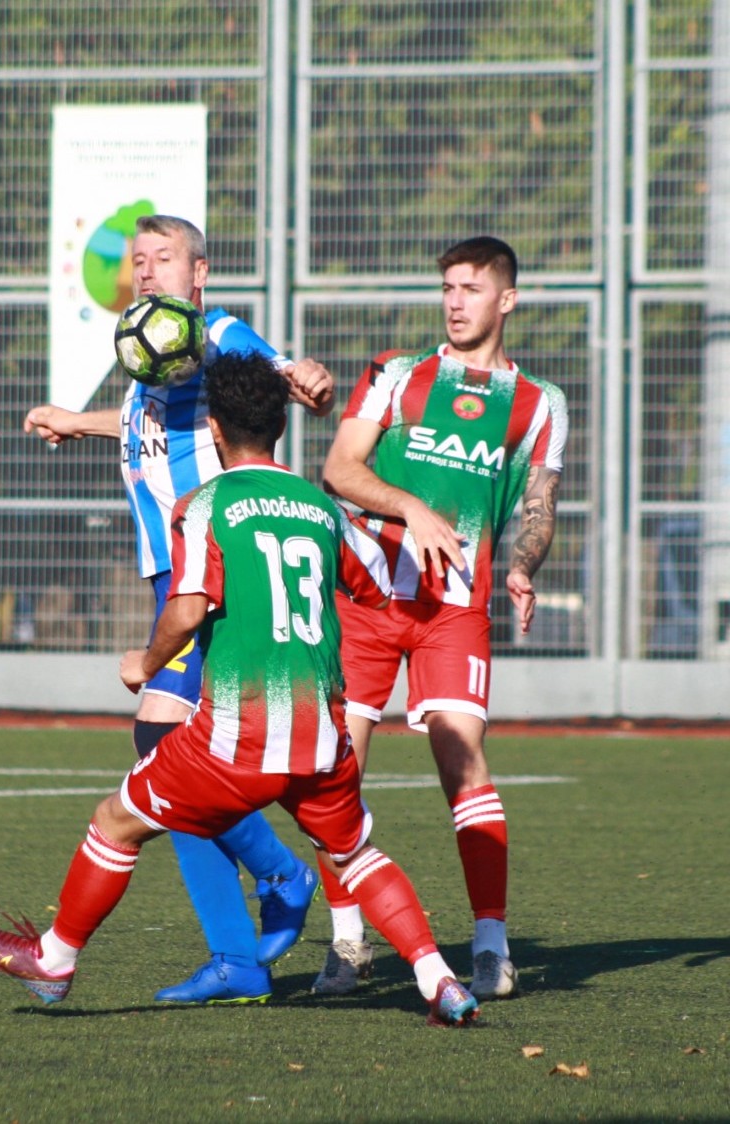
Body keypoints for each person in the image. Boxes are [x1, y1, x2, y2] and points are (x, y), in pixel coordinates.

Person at [0, 350, 480, 1028]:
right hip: (320, 736)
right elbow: (377, 589)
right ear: (279, 427)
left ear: (213, 429)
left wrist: (144, 664)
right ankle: (439, 978)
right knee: (356, 853)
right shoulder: (321, 508)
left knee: (114, 823)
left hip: (233, 739)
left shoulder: (206, 503)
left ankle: (56, 958)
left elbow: (185, 607)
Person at [21, 214, 333, 1005]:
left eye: (164, 258)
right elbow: (147, 428)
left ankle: (272, 893)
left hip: (213, 572)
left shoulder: (216, 332)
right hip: (175, 573)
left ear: (200, 272)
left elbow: (285, 374)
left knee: (163, 753)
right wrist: (78, 421)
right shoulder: (155, 347)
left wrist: (311, 375)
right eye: (139, 260)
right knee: (166, 759)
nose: (148, 270)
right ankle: (249, 936)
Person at [311, 235, 567, 1002]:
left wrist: (523, 565)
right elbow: (339, 469)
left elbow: (539, 507)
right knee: (334, 772)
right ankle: (347, 942)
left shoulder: (539, 403)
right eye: (448, 287)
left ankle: (491, 944)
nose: (455, 301)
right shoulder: (398, 375)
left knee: (463, 761)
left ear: (507, 299)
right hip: (365, 601)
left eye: (471, 288)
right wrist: (412, 506)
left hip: (455, 611)